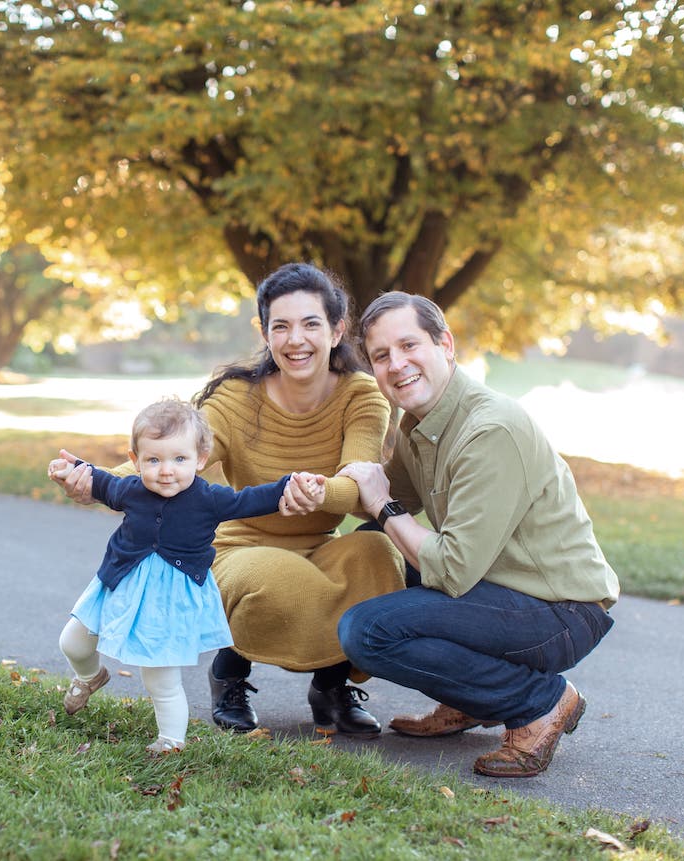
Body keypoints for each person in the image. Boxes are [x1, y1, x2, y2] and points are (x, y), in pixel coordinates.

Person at [53, 263, 405, 738]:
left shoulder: (363, 395)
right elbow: (173, 459)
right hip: (237, 549)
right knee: (277, 577)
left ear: (338, 330)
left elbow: (358, 479)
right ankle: (230, 674)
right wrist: (90, 481)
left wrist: (322, 491)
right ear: (265, 332)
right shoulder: (238, 397)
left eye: (310, 324)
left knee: (377, 553)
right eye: (280, 326)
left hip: (318, 543)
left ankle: (332, 686)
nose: (295, 339)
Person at [334, 292, 620, 778]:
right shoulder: (417, 422)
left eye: (408, 345)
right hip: (495, 591)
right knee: (369, 545)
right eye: (381, 356)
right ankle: (470, 699)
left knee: (367, 631)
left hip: (558, 610)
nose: (396, 364)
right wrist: (305, 487)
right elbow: (387, 499)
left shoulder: (491, 430)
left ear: (445, 343)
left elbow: (445, 566)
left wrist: (382, 504)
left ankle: (541, 704)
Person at [48, 397, 320, 754]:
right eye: (154, 460)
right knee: (73, 641)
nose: (166, 471)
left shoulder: (209, 499)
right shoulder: (131, 489)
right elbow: (100, 482)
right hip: (118, 583)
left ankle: (171, 741)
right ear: (136, 461)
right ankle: (89, 677)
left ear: (200, 459)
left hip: (167, 601)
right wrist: (73, 470)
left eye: (179, 459)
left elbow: (251, 499)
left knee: (159, 677)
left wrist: (291, 485)